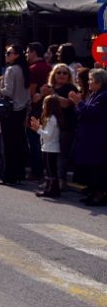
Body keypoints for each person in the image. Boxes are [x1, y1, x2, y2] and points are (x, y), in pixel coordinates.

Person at [0, 45, 31, 185]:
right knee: (17, 143)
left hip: (11, 110)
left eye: (9, 53)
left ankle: (9, 175)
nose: (6, 55)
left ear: (16, 55)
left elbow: (8, 91)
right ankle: (18, 173)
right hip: (21, 109)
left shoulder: (11, 69)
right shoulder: (24, 70)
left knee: (8, 145)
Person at [68, 68, 107, 206]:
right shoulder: (93, 94)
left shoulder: (104, 96)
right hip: (87, 136)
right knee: (89, 168)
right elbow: (81, 111)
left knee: (98, 168)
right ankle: (92, 191)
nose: (89, 83)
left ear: (99, 82)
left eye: (91, 80)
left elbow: (92, 112)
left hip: (98, 138)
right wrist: (78, 104)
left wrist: (78, 102)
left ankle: (100, 194)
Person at [39, 64, 78, 190]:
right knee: (47, 154)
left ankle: (61, 180)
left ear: (69, 76)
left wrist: (52, 94)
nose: (61, 75)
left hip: (65, 127)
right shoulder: (49, 87)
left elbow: (67, 104)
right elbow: (37, 101)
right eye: (58, 72)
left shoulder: (71, 88)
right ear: (53, 75)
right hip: (49, 125)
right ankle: (50, 180)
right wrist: (40, 94)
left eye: (64, 73)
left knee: (61, 155)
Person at [26, 42, 51, 180]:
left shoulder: (33, 69)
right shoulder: (49, 67)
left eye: (28, 52)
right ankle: (44, 171)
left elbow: (30, 93)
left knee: (34, 141)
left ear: (34, 52)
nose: (26, 54)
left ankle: (36, 171)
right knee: (44, 141)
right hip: (48, 108)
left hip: (35, 109)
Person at [29, 95, 62, 198]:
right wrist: (39, 127)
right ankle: (50, 188)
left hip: (51, 147)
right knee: (49, 169)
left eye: (44, 103)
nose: (43, 105)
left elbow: (48, 135)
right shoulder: (49, 118)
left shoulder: (52, 119)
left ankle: (52, 190)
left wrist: (37, 129)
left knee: (51, 169)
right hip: (47, 147)